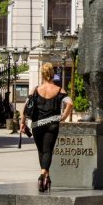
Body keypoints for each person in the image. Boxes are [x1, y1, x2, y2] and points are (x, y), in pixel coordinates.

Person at [20, 63, 72, 193]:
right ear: (52, 74)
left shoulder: (36, 90)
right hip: (52, 124)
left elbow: (25, 109)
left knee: (42, 151)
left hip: (37, 125)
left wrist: (22, 123)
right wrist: (63, 117)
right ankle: (43, 175)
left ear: (42, 74)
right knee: (48, 151)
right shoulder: (59, 90)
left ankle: (45, 176)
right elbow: (70, 103)